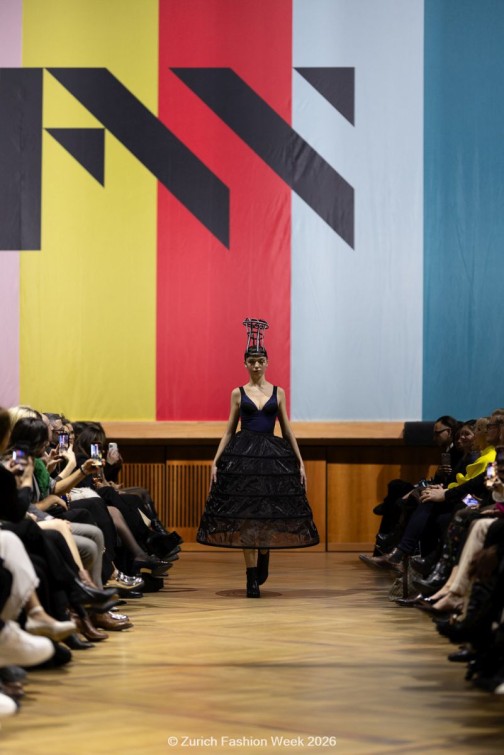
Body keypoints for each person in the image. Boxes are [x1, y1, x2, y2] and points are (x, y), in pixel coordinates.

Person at [196, 318, 319, 597]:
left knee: (266, 516)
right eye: (251, 361)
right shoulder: (238, 393)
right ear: (245, 364)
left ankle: (264, 553)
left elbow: (287, 429)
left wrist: (300, 462)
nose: (256, 365)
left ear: (267, 363)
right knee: (246, 518)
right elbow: (229, 430)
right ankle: (251, 577)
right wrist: (216, 461)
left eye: (260, 361)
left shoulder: (279, 392)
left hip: (271, 459)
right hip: (243, 458)